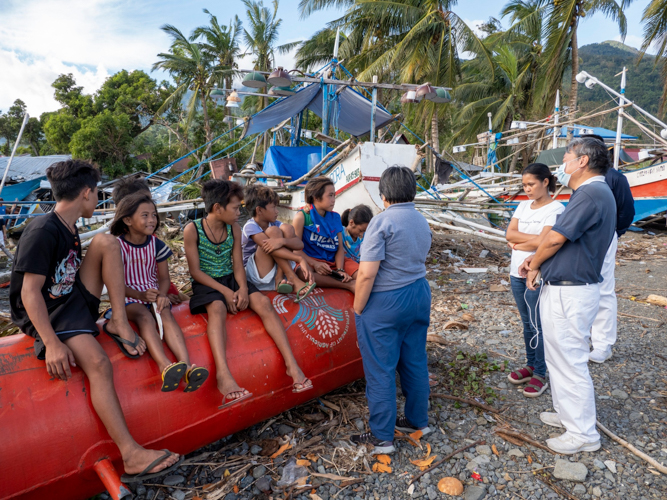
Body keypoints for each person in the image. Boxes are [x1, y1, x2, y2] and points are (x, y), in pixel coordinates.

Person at [9, 160, 182, 482]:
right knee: (100, 364)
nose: (98, 200)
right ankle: (130, 454)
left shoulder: (68, 226)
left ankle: (118, 319)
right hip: (51, 313)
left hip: (71, 299)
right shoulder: (42, 229)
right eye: (97, 193)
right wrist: (51, 343)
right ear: (86, 193)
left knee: (106, 242)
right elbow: (29, 292)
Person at [519, 138, 616, 454]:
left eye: (567, 156)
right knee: (557, 358)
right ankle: (567, 415)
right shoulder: (592, 193)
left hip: (571, 292)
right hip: (566, 287)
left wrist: (534, 263)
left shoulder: (590, 192)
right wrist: (537, 263)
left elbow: (556, 238)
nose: (563, 162)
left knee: (570, 361)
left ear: (583, 161)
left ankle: (583, 434)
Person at [183, 179, 312, 408]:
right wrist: (225, 292)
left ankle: (293, 367)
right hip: (208, 283)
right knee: (218, 308)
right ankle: (223, 375)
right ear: (217, 208)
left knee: (262, 303)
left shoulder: (234, 228)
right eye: (235, 207)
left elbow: (237, 265)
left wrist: (242, 288)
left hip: (232, 278)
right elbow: (195, 271)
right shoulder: (192, 229)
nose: (239, 212)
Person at [350, 166, 432, 455]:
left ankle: (382, 438)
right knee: (414, 360)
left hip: (387, 301)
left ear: (382, 194)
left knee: (380, 369)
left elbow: (366, 274)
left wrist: (358, 309)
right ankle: (417, 421)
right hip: (419, 293)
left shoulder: (381, 222)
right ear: (413, 191)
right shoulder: (421, 219)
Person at [110, 192, 209, 392]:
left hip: (154, 296)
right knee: (144, 316)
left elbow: (164, 279)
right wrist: (139, 295)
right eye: (145, 215)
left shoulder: (156, 244)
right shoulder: (116, 247)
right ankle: (165, 366)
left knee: (165, 313)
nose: (152, 220)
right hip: (127, 298)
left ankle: (187, 366)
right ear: (127, 220)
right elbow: (115, 283)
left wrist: (163, 295)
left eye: (154, 215)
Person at [505, 164, 565, 398]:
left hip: (537, 272)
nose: (527, 189)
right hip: (515, 273)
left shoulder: (556, 208)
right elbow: (509, 234)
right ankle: (531, 365)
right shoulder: (522, 205)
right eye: (524, 185)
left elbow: (548, 241)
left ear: (546, 182)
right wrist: (534, 240)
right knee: (526, 322)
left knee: (538, 324)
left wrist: (521, 243)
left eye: (531, 184)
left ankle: (541, 373)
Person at [580, 134, 635, 364]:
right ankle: (584, 338)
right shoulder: (580, 179)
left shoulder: (614, 178)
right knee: (582, 287)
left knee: (603, 289)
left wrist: (613, 234)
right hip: (582, 239)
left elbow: (627, 212)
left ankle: (603, 344)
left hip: (603, 237)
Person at [111, 177, 187, 305]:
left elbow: (160, 276)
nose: (149, 203)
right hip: (138, 297)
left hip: (157, 291)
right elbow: (115, 283)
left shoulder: (150, 238)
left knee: (186, 301)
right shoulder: (117, 244)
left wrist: (165, 293)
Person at [241, 184, 316, 301]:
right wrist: (300, 259)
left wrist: (282, 241)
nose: (277, 211)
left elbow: (300, 244)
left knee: (288, 228)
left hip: (275, 269)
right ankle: (291, 277)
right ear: (259, 210)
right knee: (273, 232)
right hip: (256, 274)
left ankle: (280, 278)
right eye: (273, 207)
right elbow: (269, 246)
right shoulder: (250, 226)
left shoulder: (275, 223)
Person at [292, 177, 356, 292]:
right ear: (316, 197)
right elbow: (296, 250)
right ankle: (348, 285)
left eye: (334, 195)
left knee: (362, 273)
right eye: (330, 195)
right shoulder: (301, 217)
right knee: (303, 273)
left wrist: (340, 269)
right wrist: (315, 264)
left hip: (334, 262)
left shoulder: (336, 217)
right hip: (311, 261)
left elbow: (340, 248)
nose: (334, 199)